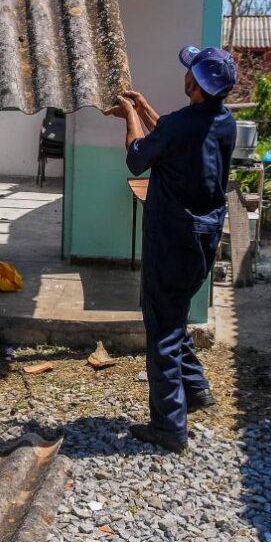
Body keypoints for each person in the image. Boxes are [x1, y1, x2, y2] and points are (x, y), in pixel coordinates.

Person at [104, 46, 238, 453]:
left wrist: (130, 117)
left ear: (194, 84)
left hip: (172, 237)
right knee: (175, 311)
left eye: (189, 72)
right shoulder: (224, 122)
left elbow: (138, 158)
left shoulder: (180, 126)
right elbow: (175, 136)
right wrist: (145, 107)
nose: (185, 75)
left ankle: (168, 427)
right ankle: (195, 390)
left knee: (162, 326)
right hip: (203, 237)